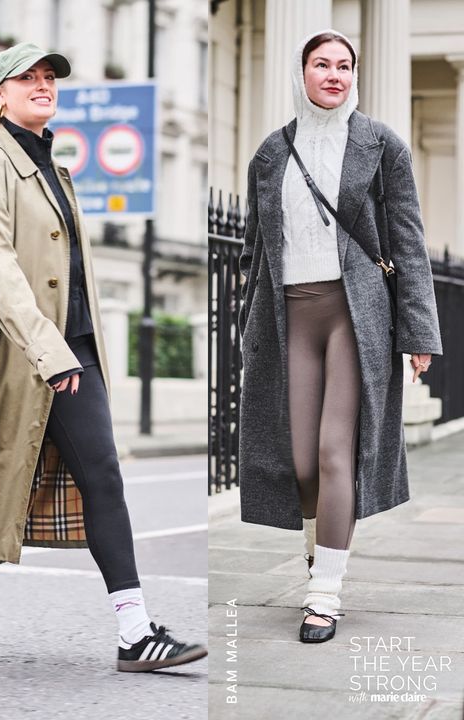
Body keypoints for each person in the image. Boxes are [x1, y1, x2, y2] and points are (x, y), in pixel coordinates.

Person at [0, 42, 205, 672]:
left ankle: (135, 631)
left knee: (102, 478)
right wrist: (50, 351)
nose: (42, 85)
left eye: (48, 78)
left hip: (74, 348)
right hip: (31, 354)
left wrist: (69, 350)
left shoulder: (53, 167)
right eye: (26, 78)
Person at [238, 29, 441, 643]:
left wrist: (418, 331)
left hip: (355, 316)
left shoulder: (381, 145)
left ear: (355, 75)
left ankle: (323, 593)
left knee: (333, 452)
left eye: (345, 65)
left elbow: (406, 237)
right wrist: (243, 326)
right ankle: (319, 545)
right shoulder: (271, 154)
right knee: (299, 460)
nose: (334, 74)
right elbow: (254, 251)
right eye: (322, 64)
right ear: (301, 73)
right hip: (289, 317)